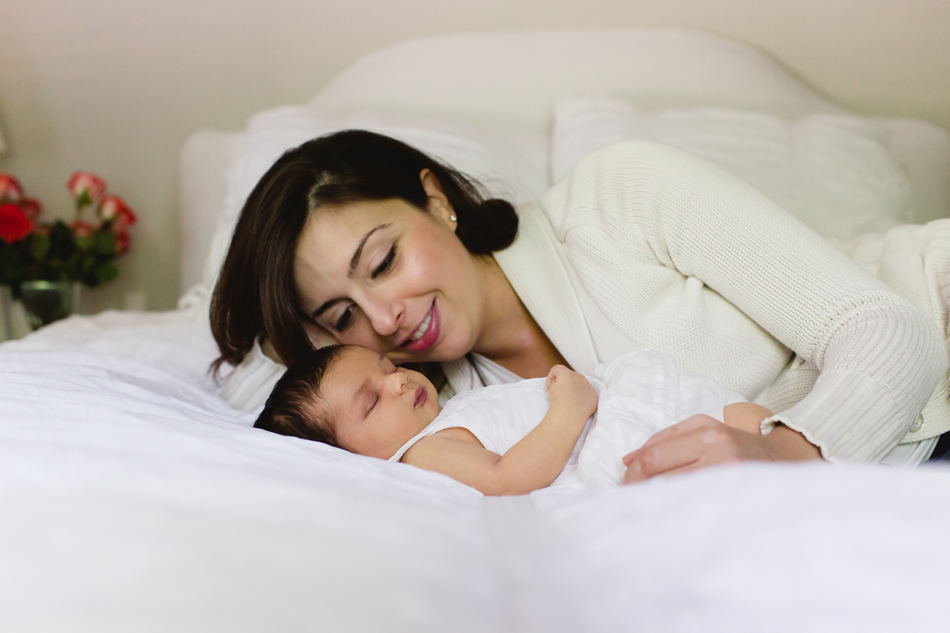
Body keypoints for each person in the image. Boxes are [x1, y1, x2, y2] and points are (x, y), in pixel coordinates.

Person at [212, 130, 950, 480]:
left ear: (435, 199)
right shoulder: (449, 421)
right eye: (341, 316)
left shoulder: (617, 197)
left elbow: (884, 327)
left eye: (383, 260)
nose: (382, 318)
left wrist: (787, 451)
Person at [254, 344, 773, 494]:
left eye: (388, 367)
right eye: (372, 402)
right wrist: (570, 406)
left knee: (757, 424)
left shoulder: (451, 411)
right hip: (610, 437)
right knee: (746, 433)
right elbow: (507, 476)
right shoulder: (424, 453)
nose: (398, 382)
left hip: (618, 411)